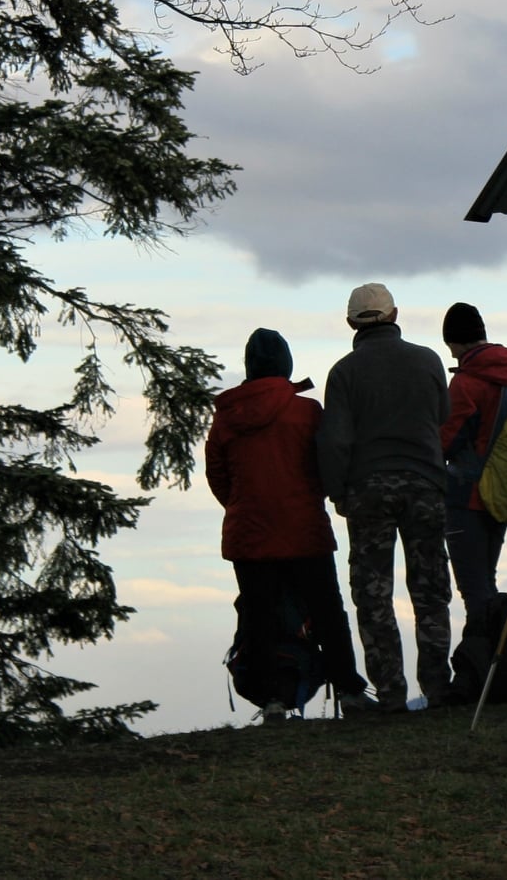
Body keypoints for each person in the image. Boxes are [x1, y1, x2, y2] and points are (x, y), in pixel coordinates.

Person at [206, 328, 374, 717]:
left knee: (259, 616)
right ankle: (348, 690)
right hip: (304, 529)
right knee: (327, 612)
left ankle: (272, 699)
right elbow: (326, 463)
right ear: (286, 364)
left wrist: (242, 506)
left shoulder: (227, 418)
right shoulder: (307, 412)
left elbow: (218, 477)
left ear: (249, 367)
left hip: (249, 535)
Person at [317, 283, 453, 712]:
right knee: (430, 589)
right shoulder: (428, 360)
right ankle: (437, 686)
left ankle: (391, 693)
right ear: (394, 315)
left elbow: (335, 441)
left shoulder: (344, 372)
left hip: (368, 490)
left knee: (373, 593)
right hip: (425, 484)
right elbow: (443, 416)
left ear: (350, 323)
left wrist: (338, 492)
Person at [438, 301, 507, 704]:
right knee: (486, 581)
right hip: (505, 493)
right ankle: (500, 669)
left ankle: (483, 677)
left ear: (453, 341)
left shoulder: (466, 383)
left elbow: (446, 439)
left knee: (475, 588)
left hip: (467, 497)